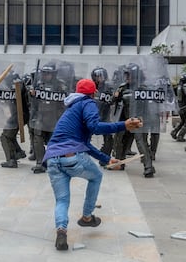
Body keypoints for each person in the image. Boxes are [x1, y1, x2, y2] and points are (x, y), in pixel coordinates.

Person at [43, 79, 142, 250]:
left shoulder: (71, 109)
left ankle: (61, 231)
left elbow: (85, 144)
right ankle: (87, 217)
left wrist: (106, 158)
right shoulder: (88, 103)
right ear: (94, 93)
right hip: (71, 157)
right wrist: (123, 125)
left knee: (62, 200)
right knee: (96, 176)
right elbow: (94, 127)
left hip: (52, 158)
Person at [171, 73, 186, 142]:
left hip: (181, 106)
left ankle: (174, 132)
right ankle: (180, 136)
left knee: (183, 121)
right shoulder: (185, 85)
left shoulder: (179, 86)